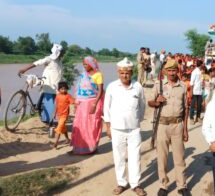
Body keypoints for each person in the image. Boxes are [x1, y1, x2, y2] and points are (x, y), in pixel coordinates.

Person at [103, 58, 147, 196]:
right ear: (118, 73)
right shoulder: (112, 87)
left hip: (134, 129)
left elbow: (142, 106)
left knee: (135, 157)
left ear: (132, 73)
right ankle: (122, 183)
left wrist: (136, 120)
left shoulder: (137, 86)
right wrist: (108, 127)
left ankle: (135, 184)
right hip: (117, 129)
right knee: (119, 157)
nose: (124, 75)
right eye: (122, 73)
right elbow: (106, 108)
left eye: (127, 73)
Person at [148, 60, 190, 196]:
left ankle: (182, 186)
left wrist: (185, 129)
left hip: (177, 125)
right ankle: (163, 185)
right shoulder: (158, 85)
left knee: (179, 158)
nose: (172, 73)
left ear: (178, 71)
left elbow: (186, 109)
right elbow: (150, 102)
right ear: (165, 71)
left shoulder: (183, 86)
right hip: (162, 125)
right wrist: (156, 101)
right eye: (169, 70)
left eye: (174, 70)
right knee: (162, 158)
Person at [18, 44, 64, 124]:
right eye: (62, 52)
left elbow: (59, 74)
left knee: (52, 104)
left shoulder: (59, 62)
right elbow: (37, 63)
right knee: (50, 105)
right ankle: (50, 123)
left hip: (56, 87)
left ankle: (47, 119)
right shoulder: (49, 59)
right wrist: (24, 69)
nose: (63, 53)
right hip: (48, 86)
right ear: (58, 53)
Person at [71, 56, 104, 154]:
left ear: (91, 64)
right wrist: (76, 102)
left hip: (92, 103)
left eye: (86, 64)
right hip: (81, 104)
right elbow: (78, 90)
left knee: (92, 125)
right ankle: (77, 149)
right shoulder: (83, 75)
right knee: (79, 125)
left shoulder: (98, 75)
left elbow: (100, 91)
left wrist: (95, 104)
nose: (84, 66)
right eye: (83, 64)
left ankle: (91, 148)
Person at [51, 81, 74, 149]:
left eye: (65, 89)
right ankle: (68, 140)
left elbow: (73, 102)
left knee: (59, 128)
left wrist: (77, 103)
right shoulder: (58, 96)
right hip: (59, 115)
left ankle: (55, 143)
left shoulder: (68, 96)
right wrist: (54, 114)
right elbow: (56, 106)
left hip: (65, 115)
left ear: (67, 89)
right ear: (59, 89)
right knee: (63, 128)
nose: (63, 90)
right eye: (62, 89)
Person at [190, 60, 203, 124]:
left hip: (200, 91)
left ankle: (198, 117)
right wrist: (191, 91)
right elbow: (191, 82)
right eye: (202, 64)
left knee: (199, 105)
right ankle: (191, 118)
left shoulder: (200, 72)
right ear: (201, 65)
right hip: (194, 91)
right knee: (192, 105)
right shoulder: (194, 72)